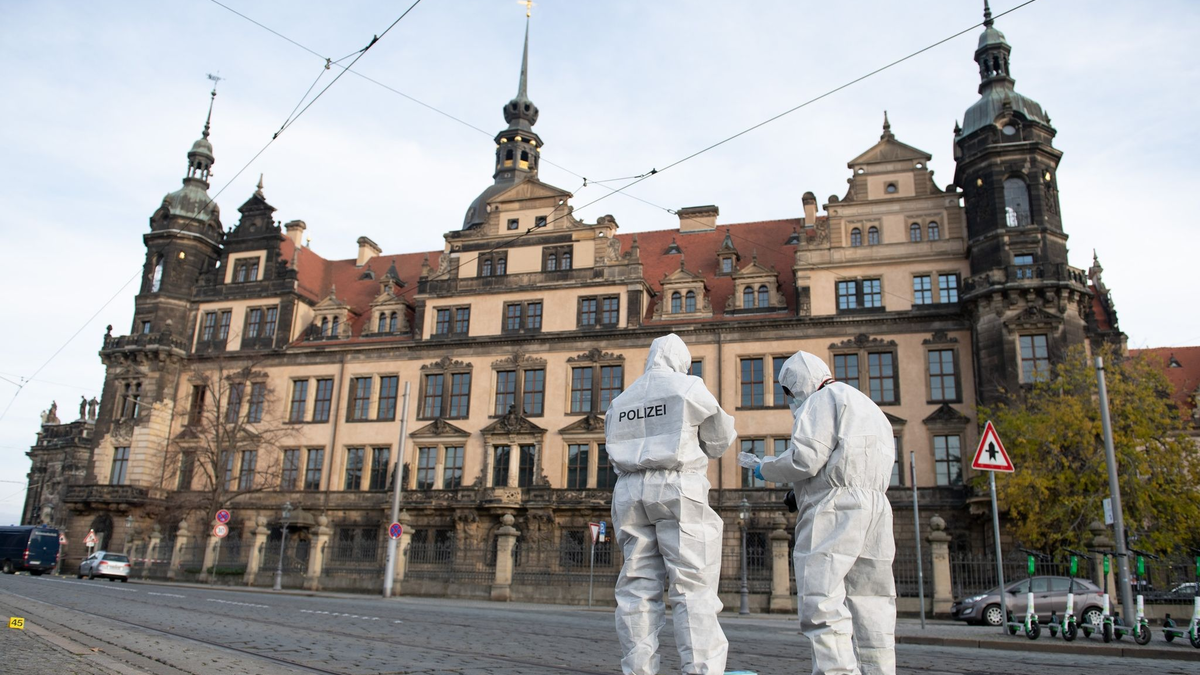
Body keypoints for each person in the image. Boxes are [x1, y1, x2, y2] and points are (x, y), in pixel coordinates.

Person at [739, 350, 896, 675]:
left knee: (821, 599)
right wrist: (800, 492)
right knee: (874, 602)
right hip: (877, 508)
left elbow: (805, 459)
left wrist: (763, 467)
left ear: (796, 386)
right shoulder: (868, 406)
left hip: (834, 510)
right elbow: (844, 461)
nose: (791, 402)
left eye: (789, 394)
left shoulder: (820, 400)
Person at [606, 333, 737, 675]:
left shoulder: (621, 400)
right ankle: (701, 670)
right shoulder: (688, 387)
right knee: (692, 587)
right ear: (683, 361)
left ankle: (638, 670)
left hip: (628, 489)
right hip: (677, 484)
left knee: (636, 585)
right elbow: (720, 439)